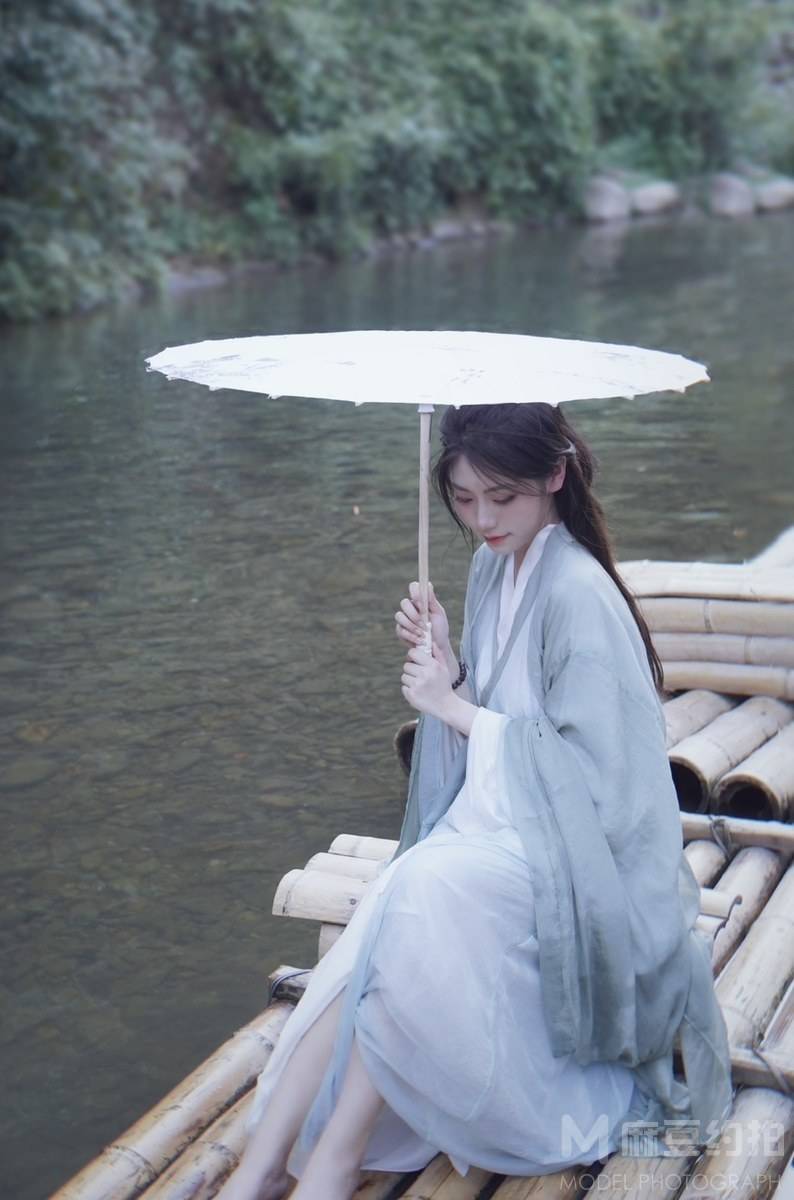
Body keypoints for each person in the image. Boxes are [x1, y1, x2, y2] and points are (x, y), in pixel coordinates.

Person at [217, 402, 733, 1200]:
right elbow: (502, 717)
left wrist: (452, 708)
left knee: (422, 891)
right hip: (498, 826)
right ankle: (263, 1164)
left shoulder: (580, 593)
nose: (483, 520)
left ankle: (333, 1160)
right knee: (395, 907)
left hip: (574, 857)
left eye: (502, 497)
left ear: (554, 476)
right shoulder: (495, 565)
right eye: (463, 499)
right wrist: (449, 662)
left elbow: (598, 783)